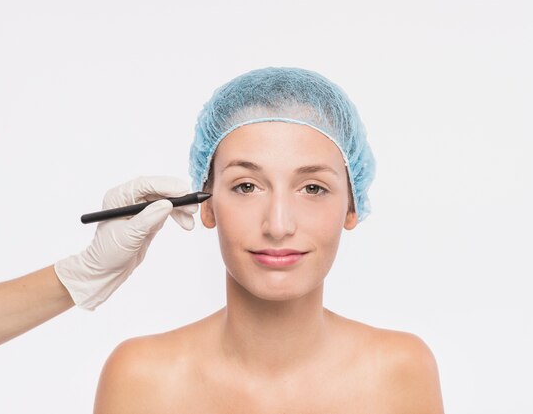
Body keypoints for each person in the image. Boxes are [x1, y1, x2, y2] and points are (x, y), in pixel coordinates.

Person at [93, 67, 445, 413]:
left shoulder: (400, 373)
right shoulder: (140, 380)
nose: (278, 225)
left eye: (312, 188)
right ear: (207, 203)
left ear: (351, 207)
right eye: (246, 186)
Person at [0, 176, 198, 372]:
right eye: (241, 186)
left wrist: (80, 275)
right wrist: (83, 273)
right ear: (208, 208)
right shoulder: (139, 372)